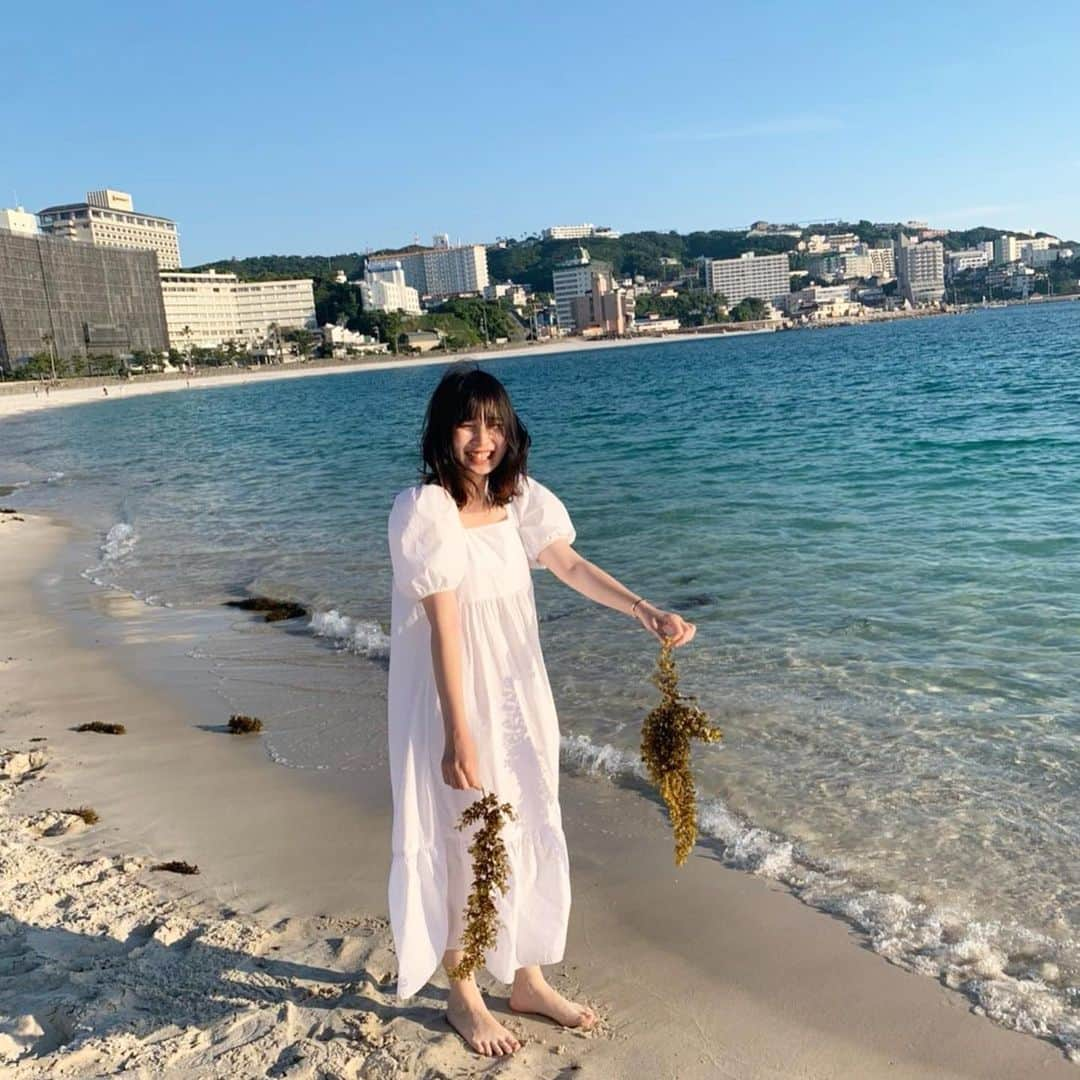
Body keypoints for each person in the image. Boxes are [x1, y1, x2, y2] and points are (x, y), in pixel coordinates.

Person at [386, 364, 696, 1057]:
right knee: (466, 830)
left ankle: (526, 977)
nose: (482, 439)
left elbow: (572, 567)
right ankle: (462, 993)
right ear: (443, 429)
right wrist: (457, 730)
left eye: (494, 423)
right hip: (454, 698)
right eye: (468, 423)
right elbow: (443, 628)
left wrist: (646, 611)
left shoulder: (517, 500)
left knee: (525, 814)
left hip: (521, 691)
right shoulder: (425, 510)